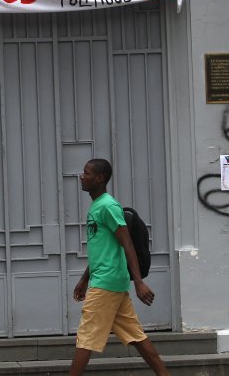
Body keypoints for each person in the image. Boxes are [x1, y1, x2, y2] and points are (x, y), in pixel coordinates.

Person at [70, 158, 169, 376]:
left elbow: (127, 243)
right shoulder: (98, 205)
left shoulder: (107, 206)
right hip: (108, 280)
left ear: (99, 178)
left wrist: (139, 282)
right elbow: (103, 249)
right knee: (136, 335)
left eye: (86, 173)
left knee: (86, 337)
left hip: (106, 284)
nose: (81, 176)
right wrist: (85, 278)